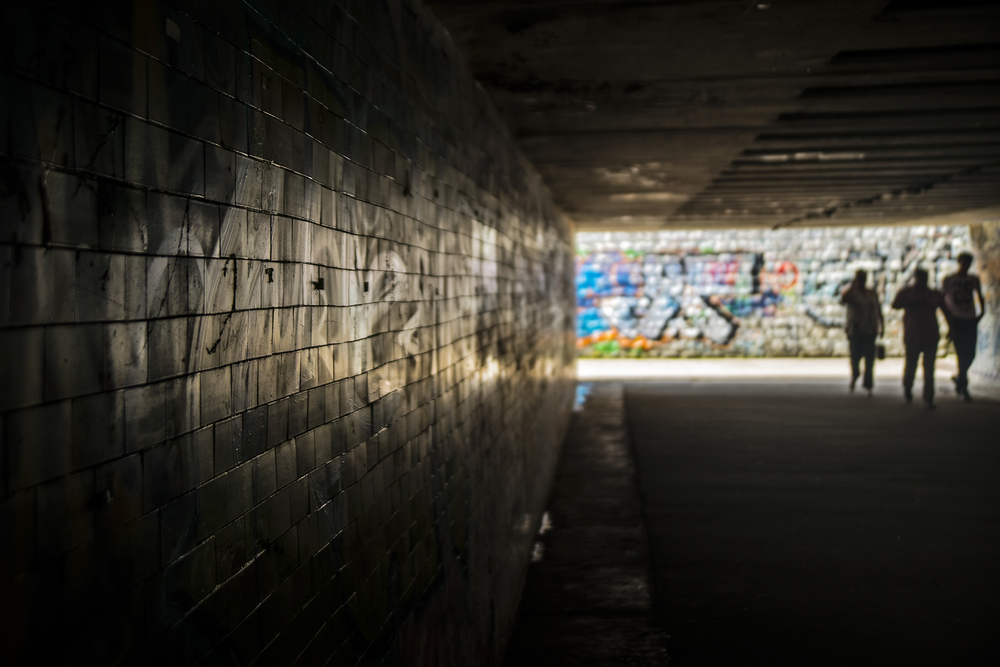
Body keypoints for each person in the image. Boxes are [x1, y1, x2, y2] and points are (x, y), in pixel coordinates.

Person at [891, 268, 945, 407]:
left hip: (930, 335)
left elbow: (946, 310)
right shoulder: (907, 293)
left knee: (929, 368)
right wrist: (913, 302)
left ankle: (929, 396)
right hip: (912, 334)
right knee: (911, 365)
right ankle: (908, 387)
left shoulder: (933, 294)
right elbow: (895, 304)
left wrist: (951, 328)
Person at [942, 252, 985, 401]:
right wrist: (949, 318)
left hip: (970, 318)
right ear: (959, 262)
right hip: (957, 319)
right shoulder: (949, 280)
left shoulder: (973, 279)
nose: (965, 266)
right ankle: (964, 385)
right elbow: (943, 300)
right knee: (961, 352)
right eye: (964, 262)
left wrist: (981, 312)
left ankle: (960, 378)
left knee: (970, 353)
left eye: (968, 263)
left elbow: (979, 295)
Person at [841, 269, 883, 395]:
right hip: (855, 329)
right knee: (855, 355)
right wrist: (852, 286)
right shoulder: (852, 294)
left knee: (870, 358)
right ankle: (855, 375)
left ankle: (868, 383)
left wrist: (881, 325)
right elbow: (843, 300)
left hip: (870, 329)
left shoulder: (871, 293)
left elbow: (877, 309)